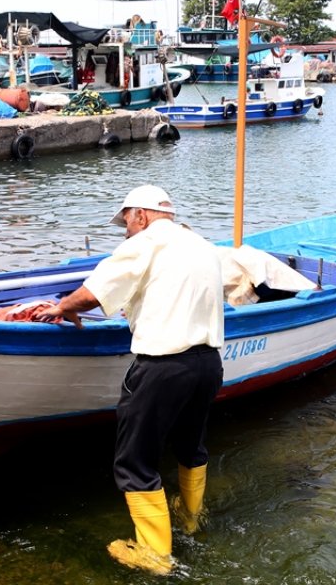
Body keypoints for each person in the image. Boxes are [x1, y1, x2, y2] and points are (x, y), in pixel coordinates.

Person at [35, 185, 224, 575]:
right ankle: (191, 520)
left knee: (135, 462)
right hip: (208, 363)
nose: (125, 230)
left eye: (125, 222)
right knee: (191, 445)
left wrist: (61, 307)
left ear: (140, 215)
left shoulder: (146, 242)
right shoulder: (201, 244)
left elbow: (93, 293)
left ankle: (155, 557)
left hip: (163, 367)